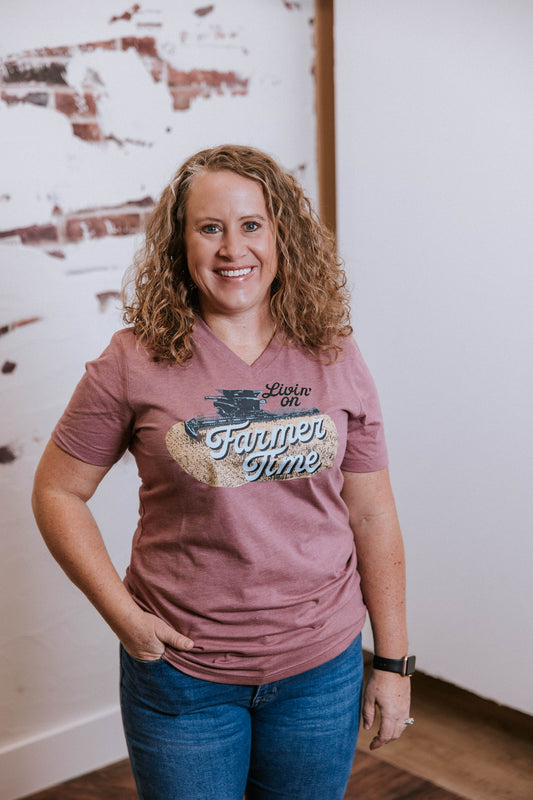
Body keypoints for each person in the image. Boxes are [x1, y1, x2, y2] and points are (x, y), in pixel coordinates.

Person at [32, 144, 414, 800]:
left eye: (251, 225)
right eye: (210, 227)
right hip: (183, 677)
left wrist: (393, 662)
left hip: (320, 674)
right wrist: (122, 614)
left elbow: (372, 512)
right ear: (180, 244)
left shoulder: (333, 353)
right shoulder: (134, 361)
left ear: (280, 235)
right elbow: (57, 490)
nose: (232, 248)